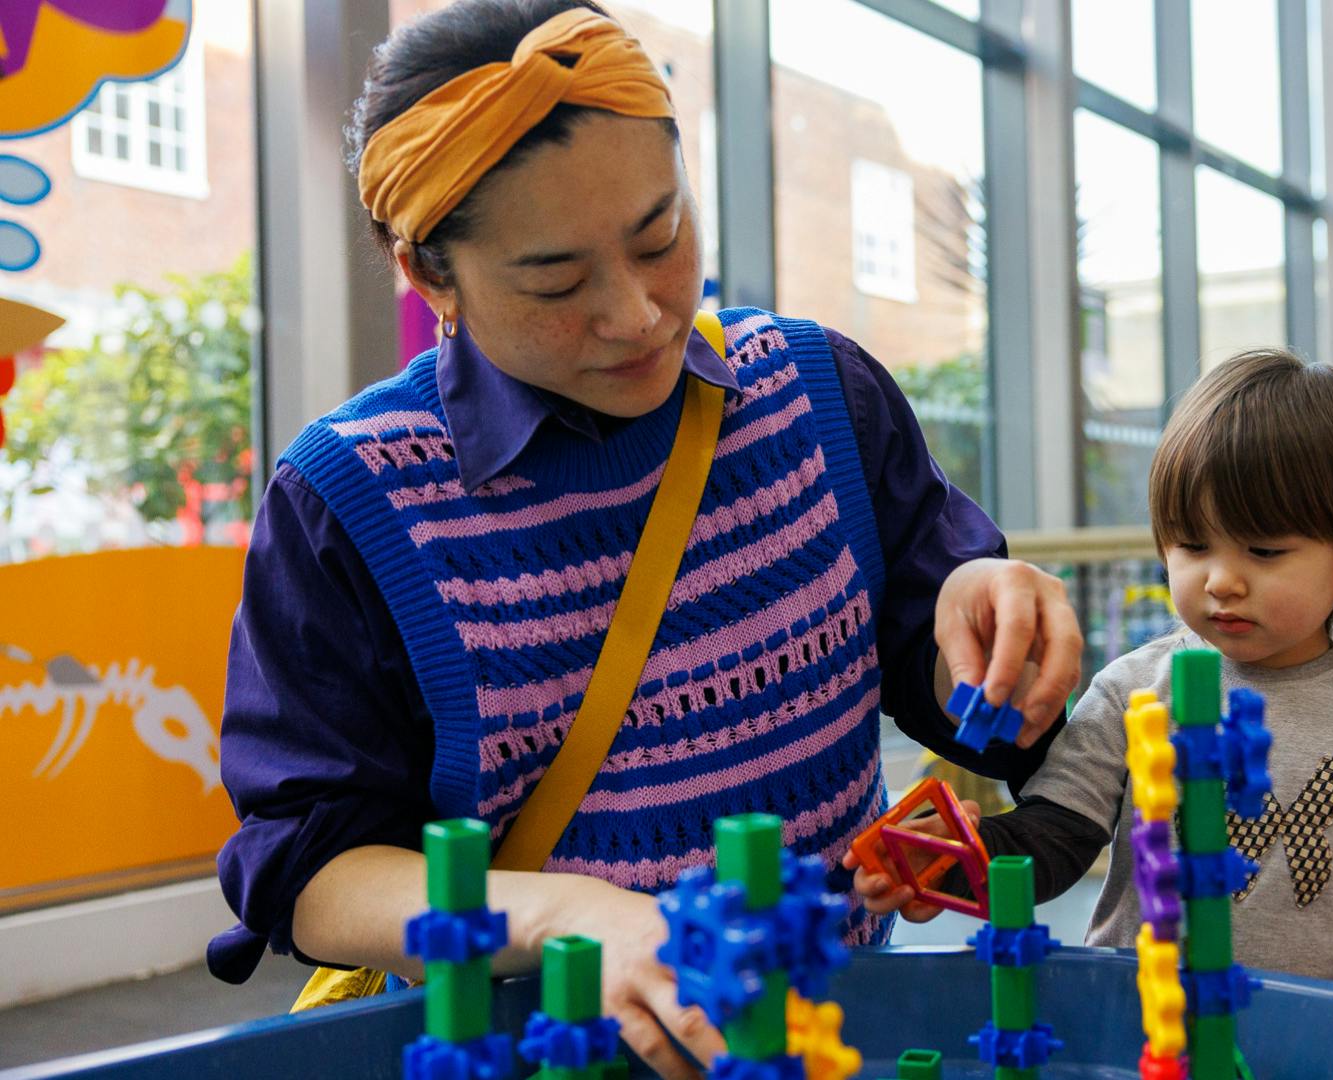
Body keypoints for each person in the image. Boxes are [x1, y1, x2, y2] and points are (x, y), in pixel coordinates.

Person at [207, 5, 1083, 1077]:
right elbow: (311, 868)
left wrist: (997, 634)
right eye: (558, 282)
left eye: (663, 237)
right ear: (429, 274)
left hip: (829, 1038)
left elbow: (969, 701)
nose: (638, 315)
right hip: (532, 1048)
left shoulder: (816, 397)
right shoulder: (349, 499)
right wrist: (572, 915)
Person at [850, 350, 1333, 998]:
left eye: (1264, 551)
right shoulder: (1132, 692)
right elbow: (1055, 834)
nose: (1220, 579)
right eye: (1192, 544)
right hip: (1147, 1032)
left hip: (1316, 1047)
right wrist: (960, 862)